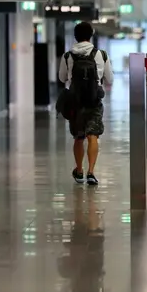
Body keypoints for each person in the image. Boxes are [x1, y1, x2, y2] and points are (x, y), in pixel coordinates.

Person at [58, 22, 114, 185]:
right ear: (91, 35)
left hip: (75, 102)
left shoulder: (67, 56)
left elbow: (62, 78)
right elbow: (110, 79)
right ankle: (91, 172)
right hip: (94, 101)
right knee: (92, 136)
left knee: (78, 137)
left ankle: (79, 170)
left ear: (75, 36)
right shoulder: (101, 54)